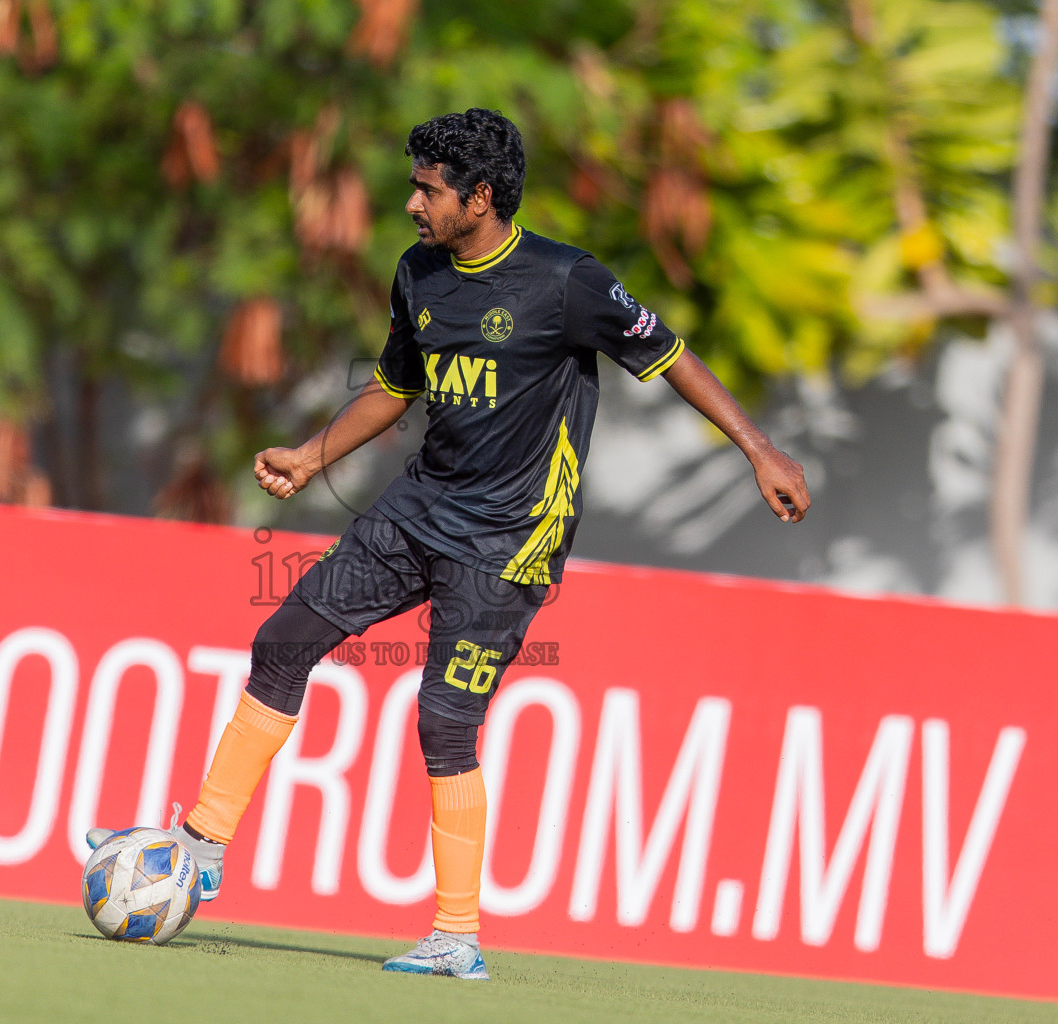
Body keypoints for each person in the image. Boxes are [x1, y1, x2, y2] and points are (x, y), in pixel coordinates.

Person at [89, 107, 810, 979]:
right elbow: (395, 385)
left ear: (480, 197)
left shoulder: (567, 281)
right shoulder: (419, 272)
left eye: (427, 190)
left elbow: (672, 355)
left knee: (444, 721)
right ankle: (202, 847)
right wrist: (311, 457)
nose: (411, 204)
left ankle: (457, 937)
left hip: (510, 538)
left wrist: (759, 450)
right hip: (417, 509)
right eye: (413, 186)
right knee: (283, 641)